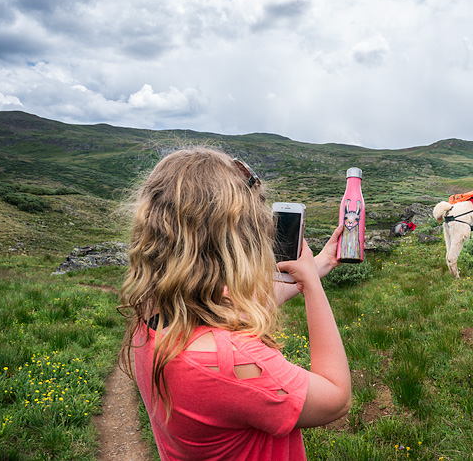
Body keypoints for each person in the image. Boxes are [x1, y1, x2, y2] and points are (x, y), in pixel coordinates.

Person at [118, 146, 351, 460]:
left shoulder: (152, 312)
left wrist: (319, 265)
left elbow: (232, 310)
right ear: (233, 243)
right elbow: (336, 397)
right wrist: (312, 285)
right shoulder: (232, 364)